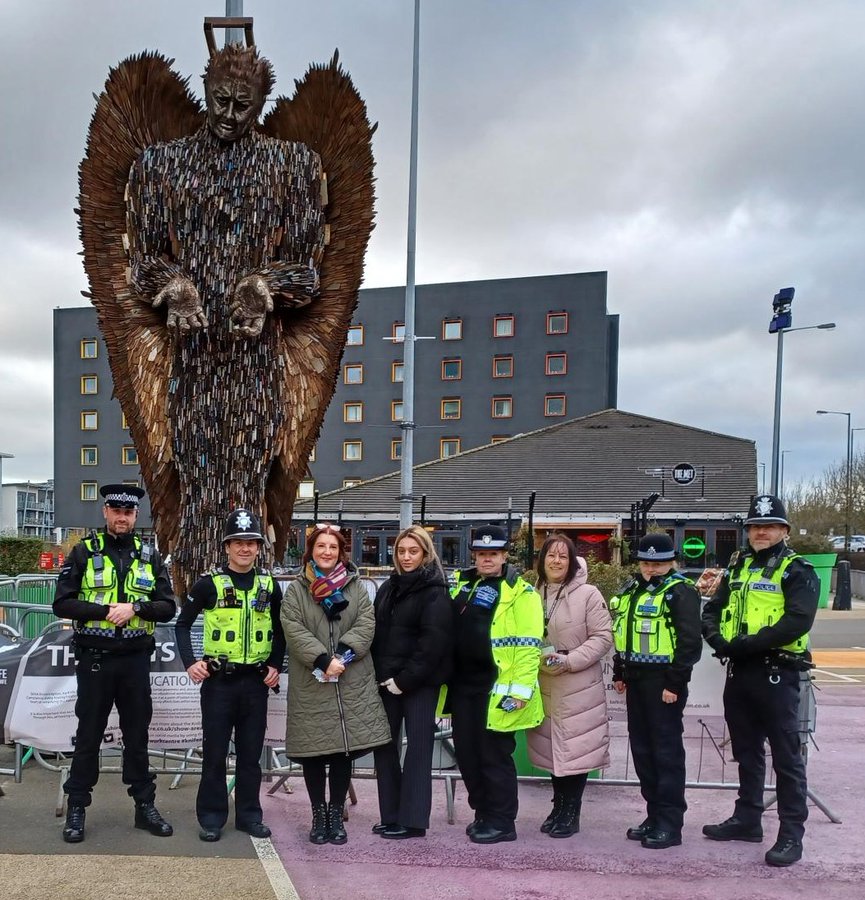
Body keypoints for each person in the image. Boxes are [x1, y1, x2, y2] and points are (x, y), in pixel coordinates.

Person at [52, 484, 176, 843]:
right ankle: (77, 808)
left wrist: (135, 608)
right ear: (105, 512)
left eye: (128, 512)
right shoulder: (83, 552)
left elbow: (168, 606)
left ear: (136, 515)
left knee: (137, 737)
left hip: (136, 660)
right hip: (95, 659)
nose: (122, 517)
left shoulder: (150, 556)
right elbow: (62, 604)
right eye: (116, 511)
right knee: (88, 735)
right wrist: (106, 611)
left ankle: (144, 806)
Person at [701, 494, 819, 867]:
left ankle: (790, 834)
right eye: (755, 526)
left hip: (777, 673)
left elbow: (797, 621)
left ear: (784, 530)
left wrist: (746, 646)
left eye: (768, 526)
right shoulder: (738, 567)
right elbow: (716, 608)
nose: (760, 532)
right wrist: (716, 638)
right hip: (740, 672)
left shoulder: (798, 570)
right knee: (746, 752)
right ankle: (748, 818)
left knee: (786, 759)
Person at [175, 508, 285, 842]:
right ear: (226, 547)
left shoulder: (270, 585)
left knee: (251, 755)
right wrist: (190, 662)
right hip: (219, 684)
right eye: (237, 543)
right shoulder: (209, 584)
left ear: (258, 547)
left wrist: (276, 664)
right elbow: (182, 624)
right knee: (215, 753)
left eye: (250, 543)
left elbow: (281, 630)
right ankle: (211, 817)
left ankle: (249, 816)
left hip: (255, 683)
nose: (244, 549)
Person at [281, 524, 390, 845]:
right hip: (312, 680)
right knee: (314, 752)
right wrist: (321, 659)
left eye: (332, 547)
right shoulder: (297, 590)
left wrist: (341, 657)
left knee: (342, 751)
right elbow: (292, 627)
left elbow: (366, 624)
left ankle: (335, 811)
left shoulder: (356, 587)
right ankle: (318, 814)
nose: (326, 552)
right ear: (310, 551)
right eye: (320, 546)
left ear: (341, 552)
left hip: (350, 677)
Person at [445, 525, 544, 844]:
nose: (487, 559)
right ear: (474, 555)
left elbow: (530, 647)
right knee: (468, 755)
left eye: (493, 554)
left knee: (494, 757)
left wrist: (519, 692)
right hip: (463, 687)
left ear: (504, 556)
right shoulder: (462, 585)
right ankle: (482, 813)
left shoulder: (522, 593)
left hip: (497, 689)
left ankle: (502, 821)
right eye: (481, 554)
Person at [610, 533, 702, 850]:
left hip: (663, 683)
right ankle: (654, 815)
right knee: (643, 752)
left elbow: (690, 644)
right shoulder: (634, 590)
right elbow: (622, 633)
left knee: (666, 754)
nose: (652, 569)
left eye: (659, 563)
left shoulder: (681, 592)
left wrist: (675, 683)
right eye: (647, 563)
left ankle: (670, 823)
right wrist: (619, 671)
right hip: (636, 680)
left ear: (671, 562)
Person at [526, 534, 612, 838]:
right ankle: (558, 806)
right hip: (545, 683)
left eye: (563, 556)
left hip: (577, 686)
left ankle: (571, 812)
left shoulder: (588, 594)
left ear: (572, 561)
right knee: (553, 750)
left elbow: (603, 638)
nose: (557, 561)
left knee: (575, 751)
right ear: (542, 560)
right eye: (551, 555)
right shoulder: (533, 593)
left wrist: (571, 660)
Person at [371, 526, 453, 839]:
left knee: (418, 750)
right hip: (386, 682)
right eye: (402, 551)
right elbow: (378, 635)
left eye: (413, 551)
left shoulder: (435, 591)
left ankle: (414, 819)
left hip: (418, 684)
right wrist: (382, 676)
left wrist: (403, 681)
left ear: (425, 553)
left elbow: (433, 644)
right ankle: (391, 814)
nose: (406, 557)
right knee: (385, 748)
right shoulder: (387, 589)